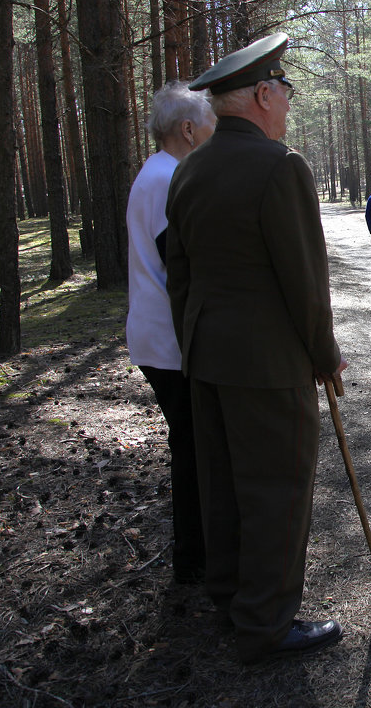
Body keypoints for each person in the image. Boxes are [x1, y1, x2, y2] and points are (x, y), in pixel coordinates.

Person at [164, 33, 348, 663]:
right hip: (269, 365)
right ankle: (265, 624)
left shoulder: (191, 169)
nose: (289, 104)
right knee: (275, 490)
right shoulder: (279, 166)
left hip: (206, 357)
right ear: (264, 94)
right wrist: (324, 355)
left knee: (224, 487)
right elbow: (305, 279)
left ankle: (229, 598)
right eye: (286, 91)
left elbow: (179, 277)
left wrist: (194, 345)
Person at [126, 81, 215, 585]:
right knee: (192, 447)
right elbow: (177, 264)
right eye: (209, 124)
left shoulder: (158, 173)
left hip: (160, 335)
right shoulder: (167, 178)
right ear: (187, 129)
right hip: (168, 338)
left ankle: (195, 551)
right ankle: (194, 556)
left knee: (190, 444)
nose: (212, 131)